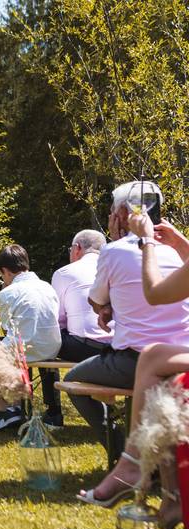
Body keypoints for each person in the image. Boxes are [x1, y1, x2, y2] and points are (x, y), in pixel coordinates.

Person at [77, 200, 189, 529]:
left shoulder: (118, 251)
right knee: (164, 381)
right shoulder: (178, 253)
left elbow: (154, 293)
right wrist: (181, 245)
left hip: (130, 355)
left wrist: (148, 242)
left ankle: (129, 463)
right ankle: (170, 501)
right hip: (172, 352)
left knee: (151, 360)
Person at [64, 181, 189, 457]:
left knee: (73, 381)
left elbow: (96, 301)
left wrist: (106, 306)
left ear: (123, 214)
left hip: (136, 360)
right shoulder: (178, 252)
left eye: (112, 212)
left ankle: (122, 453)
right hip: (182, 355)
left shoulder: (114, 251)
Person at [39, 230, 114, 427]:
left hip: (84, 347)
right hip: (119, 347)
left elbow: (58, 320)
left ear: (77, 248)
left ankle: (54, 413)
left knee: (46, 341)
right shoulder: (116, 268)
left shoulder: (64, 273)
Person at [0, 244, 61, 431]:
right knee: (17, 345)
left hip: (25, 350)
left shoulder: (8, 292)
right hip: (52, 347)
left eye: (1, 275)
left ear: (5, 271)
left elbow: (7, 328)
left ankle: (6, 411)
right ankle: (52, 410)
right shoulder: (47, 287)